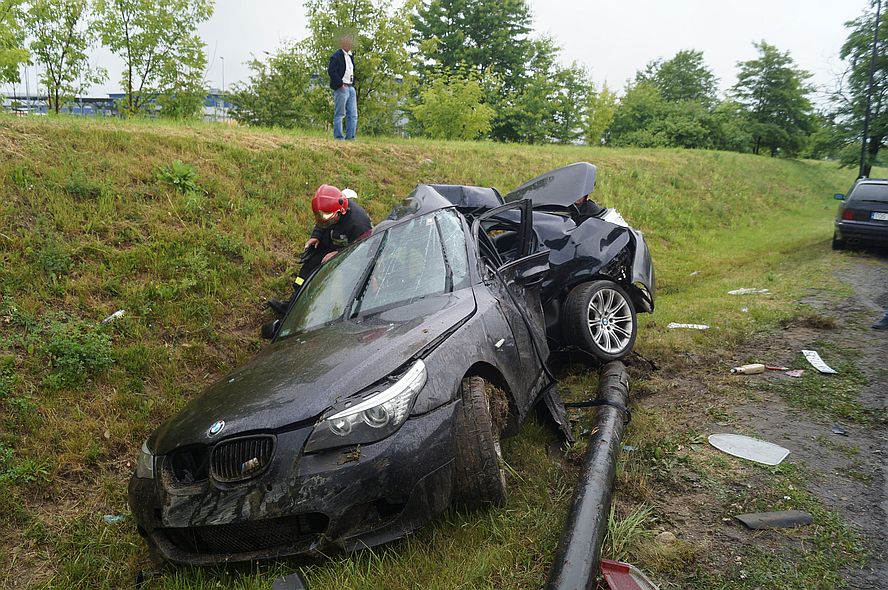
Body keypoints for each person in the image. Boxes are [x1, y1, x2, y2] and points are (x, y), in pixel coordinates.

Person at [267, 185, 372, 316]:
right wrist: (315, 236)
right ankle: (293, 302)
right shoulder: (327, 211)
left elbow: (363, 249)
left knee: (328, 281)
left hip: (349, 253)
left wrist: (339, 254)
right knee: (307, 269)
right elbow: (322, 223)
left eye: (327, 219)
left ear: (341, 212)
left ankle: (313, 309)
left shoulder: (359, 224)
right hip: (328, 244)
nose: (322, 221)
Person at [328, 34, 358, 140]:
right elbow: (331, 71)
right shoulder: (336, 56)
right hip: (342, 87)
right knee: (340, 114)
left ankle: (350, 137)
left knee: (353, 114)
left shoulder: (350, 56)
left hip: (350, 87)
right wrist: (340, 84)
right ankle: (339, 137)